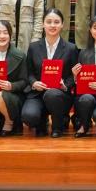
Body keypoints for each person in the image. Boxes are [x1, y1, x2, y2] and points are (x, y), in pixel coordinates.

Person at [21, 9, 79, 137]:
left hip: (60, 95)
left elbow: (73, 76)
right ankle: (42, 121)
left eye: (56, 22)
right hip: (38, 93)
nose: (52, 25)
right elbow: (28, 73)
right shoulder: (33, 47)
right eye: (49, 22)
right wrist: (34, 83)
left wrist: (64, 85)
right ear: (43, 24)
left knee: (52, 94)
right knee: (28, 116)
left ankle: (58, 127)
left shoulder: (71, 48)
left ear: (62, 25)